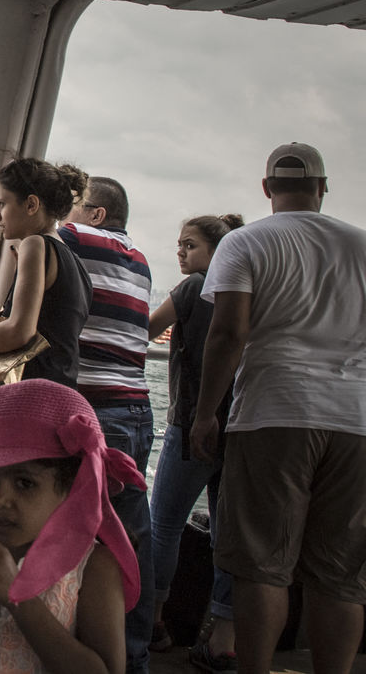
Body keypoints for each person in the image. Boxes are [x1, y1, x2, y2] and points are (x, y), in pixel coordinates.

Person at [190, 143, 366, 674]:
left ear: (267, 188)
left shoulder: (245, 242)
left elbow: (228, 333)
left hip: (274, 413)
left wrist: (205, 413)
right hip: (356, 423)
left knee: (262, 566)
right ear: (323, 187)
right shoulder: (361, 244)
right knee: (340, 575)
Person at [0, 379, 144, 674]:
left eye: (24, 483)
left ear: (72, 487)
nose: (0, 499)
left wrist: (17, 598)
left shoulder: (93, 567)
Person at [59, 176, 155, 674]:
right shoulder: (140, 260)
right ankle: (134, 656)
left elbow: (36, 243)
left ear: (96, 214)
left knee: (75, 532)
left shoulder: (76, 238)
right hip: (137, 409)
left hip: (97, 409)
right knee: (131, 538)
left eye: (73, 205)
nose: (65, 214)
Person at [145, 213, 243, 666]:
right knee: (227, 534)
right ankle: (223, 639)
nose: (181, 253)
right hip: (238, 425)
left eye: (190, 245)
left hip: (191, 423)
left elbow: (145, 329)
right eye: (180, 245)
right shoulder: (245, 291)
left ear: (217, 251)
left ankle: (152, 622)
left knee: (164, 524)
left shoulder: (195, 287)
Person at [0, 158, 92, 389]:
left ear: (31, 205)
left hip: (31, 391)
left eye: (2, 204)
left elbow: (20, 331)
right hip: (61, 389)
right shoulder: (75, 263)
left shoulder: (35, 244)